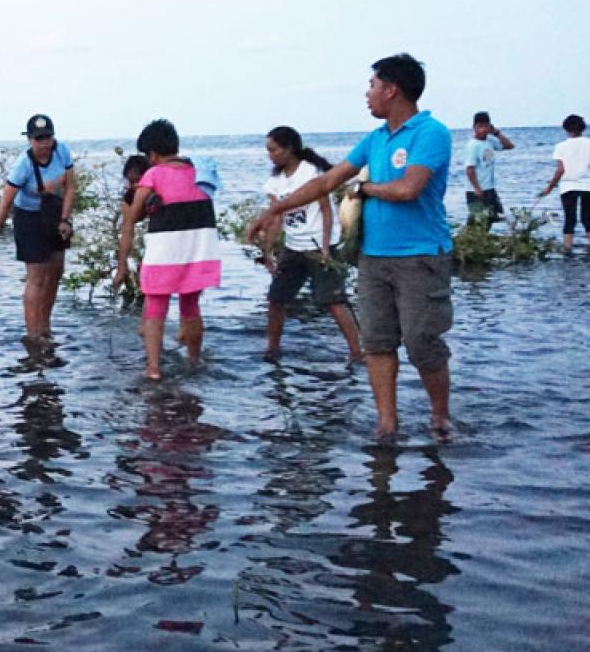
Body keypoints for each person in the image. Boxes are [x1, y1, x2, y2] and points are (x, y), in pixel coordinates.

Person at [247, 54, 455, 439]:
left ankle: (440, 417)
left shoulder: (431, 133)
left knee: (421, 341)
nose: (367, 93)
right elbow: (326, 182)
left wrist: (362, 188)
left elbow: (409, 189)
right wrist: (275, 209)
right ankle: (386, 423)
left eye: (373, 85)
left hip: (421, 256)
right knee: (376, 341)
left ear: (392, 90)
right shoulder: (374, 140)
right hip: (373, 258)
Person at [113, 119, 221, 381]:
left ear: (152, 154)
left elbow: (131, 219)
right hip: (201, 248)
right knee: (190, 305)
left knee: (155, 305)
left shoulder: (153, 175)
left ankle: (153, 370)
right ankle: (195, 361)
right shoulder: (200, 170)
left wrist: (122, 264)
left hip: (167, 251)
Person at [259, 126, 362, 363]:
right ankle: (272, 350)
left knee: (333, 301)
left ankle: (357, 352)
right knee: (276, 299)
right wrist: (268, 251)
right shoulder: (275, 181)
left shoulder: (310, 173)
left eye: (273, 150)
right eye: (268, 150)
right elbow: (276, 217)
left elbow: (326, 211)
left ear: (289, 149)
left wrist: (326, 247)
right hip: (294, 247)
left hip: (317, 245)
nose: (270, 155)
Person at [0, 115, 76, 352]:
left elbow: (71, 187)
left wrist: (65, 219)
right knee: (37, 277)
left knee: (55, 270)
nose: (44, 144)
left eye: (48, 138)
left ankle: (45, 326)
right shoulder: (22, 165)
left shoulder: (61, 151)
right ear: (30, 140)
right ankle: (33, 335)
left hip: (53, 212)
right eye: (38, 139)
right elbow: (4, 205)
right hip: (28, 218)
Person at [538, 114, 590, 252]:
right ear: (582, 128)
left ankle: (567, 248)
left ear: (566, 129)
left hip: (568, 186)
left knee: (570, 219)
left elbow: (561, 170)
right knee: (587, 219)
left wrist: (549, 187)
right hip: (587, 185)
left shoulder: (561, 146)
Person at [462, 112, 515, 226]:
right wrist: (477, 188)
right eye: (480, 126)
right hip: (476, 191)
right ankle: (466, 241)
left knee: (494, 216)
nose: (483, 130)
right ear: (474, 127)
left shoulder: (489, 141)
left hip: (490, 188)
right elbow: (470, 169)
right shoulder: (472, 145)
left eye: (486, 126)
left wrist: (497, 133)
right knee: (479, 222)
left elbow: (509, 146)